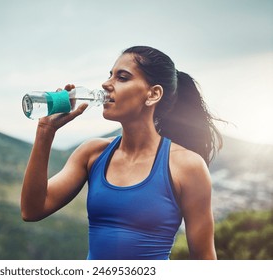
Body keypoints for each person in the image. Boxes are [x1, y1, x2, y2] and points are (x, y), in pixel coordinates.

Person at [21, 46, 222, 260]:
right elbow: (32, 210)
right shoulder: (92, 153)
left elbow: (204, 260)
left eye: (122, 77)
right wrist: (45, 131)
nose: (106, 84)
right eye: (110, 75)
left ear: (153, 94)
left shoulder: (187, 166)